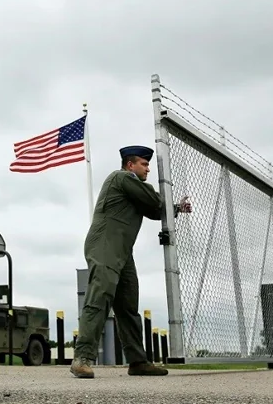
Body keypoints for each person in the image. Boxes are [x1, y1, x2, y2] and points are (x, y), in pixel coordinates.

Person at [70, 145, 192, 379]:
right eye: (144, 165)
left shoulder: (134, 189)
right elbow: (154, 201)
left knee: (127, 307)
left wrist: (176, 208)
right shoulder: (122, 178)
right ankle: (82, 358)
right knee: (100, 297)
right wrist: (168, 203)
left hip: (123, 252)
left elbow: (156, 211)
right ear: (130, 165)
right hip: (105, 247)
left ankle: (137, 362)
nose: (148, 169)